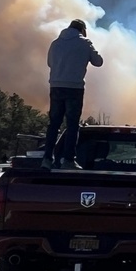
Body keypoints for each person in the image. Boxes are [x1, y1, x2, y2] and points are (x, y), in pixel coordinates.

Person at [43, 18, 103, 168]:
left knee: (54, 124)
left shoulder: (55, 43)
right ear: (82, 30)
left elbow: (50, 63)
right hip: (74, 88)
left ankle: (47, 159)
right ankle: (68, 160)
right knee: (72, 125)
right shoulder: (85, 42)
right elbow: (98, 61)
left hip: (55, 86)